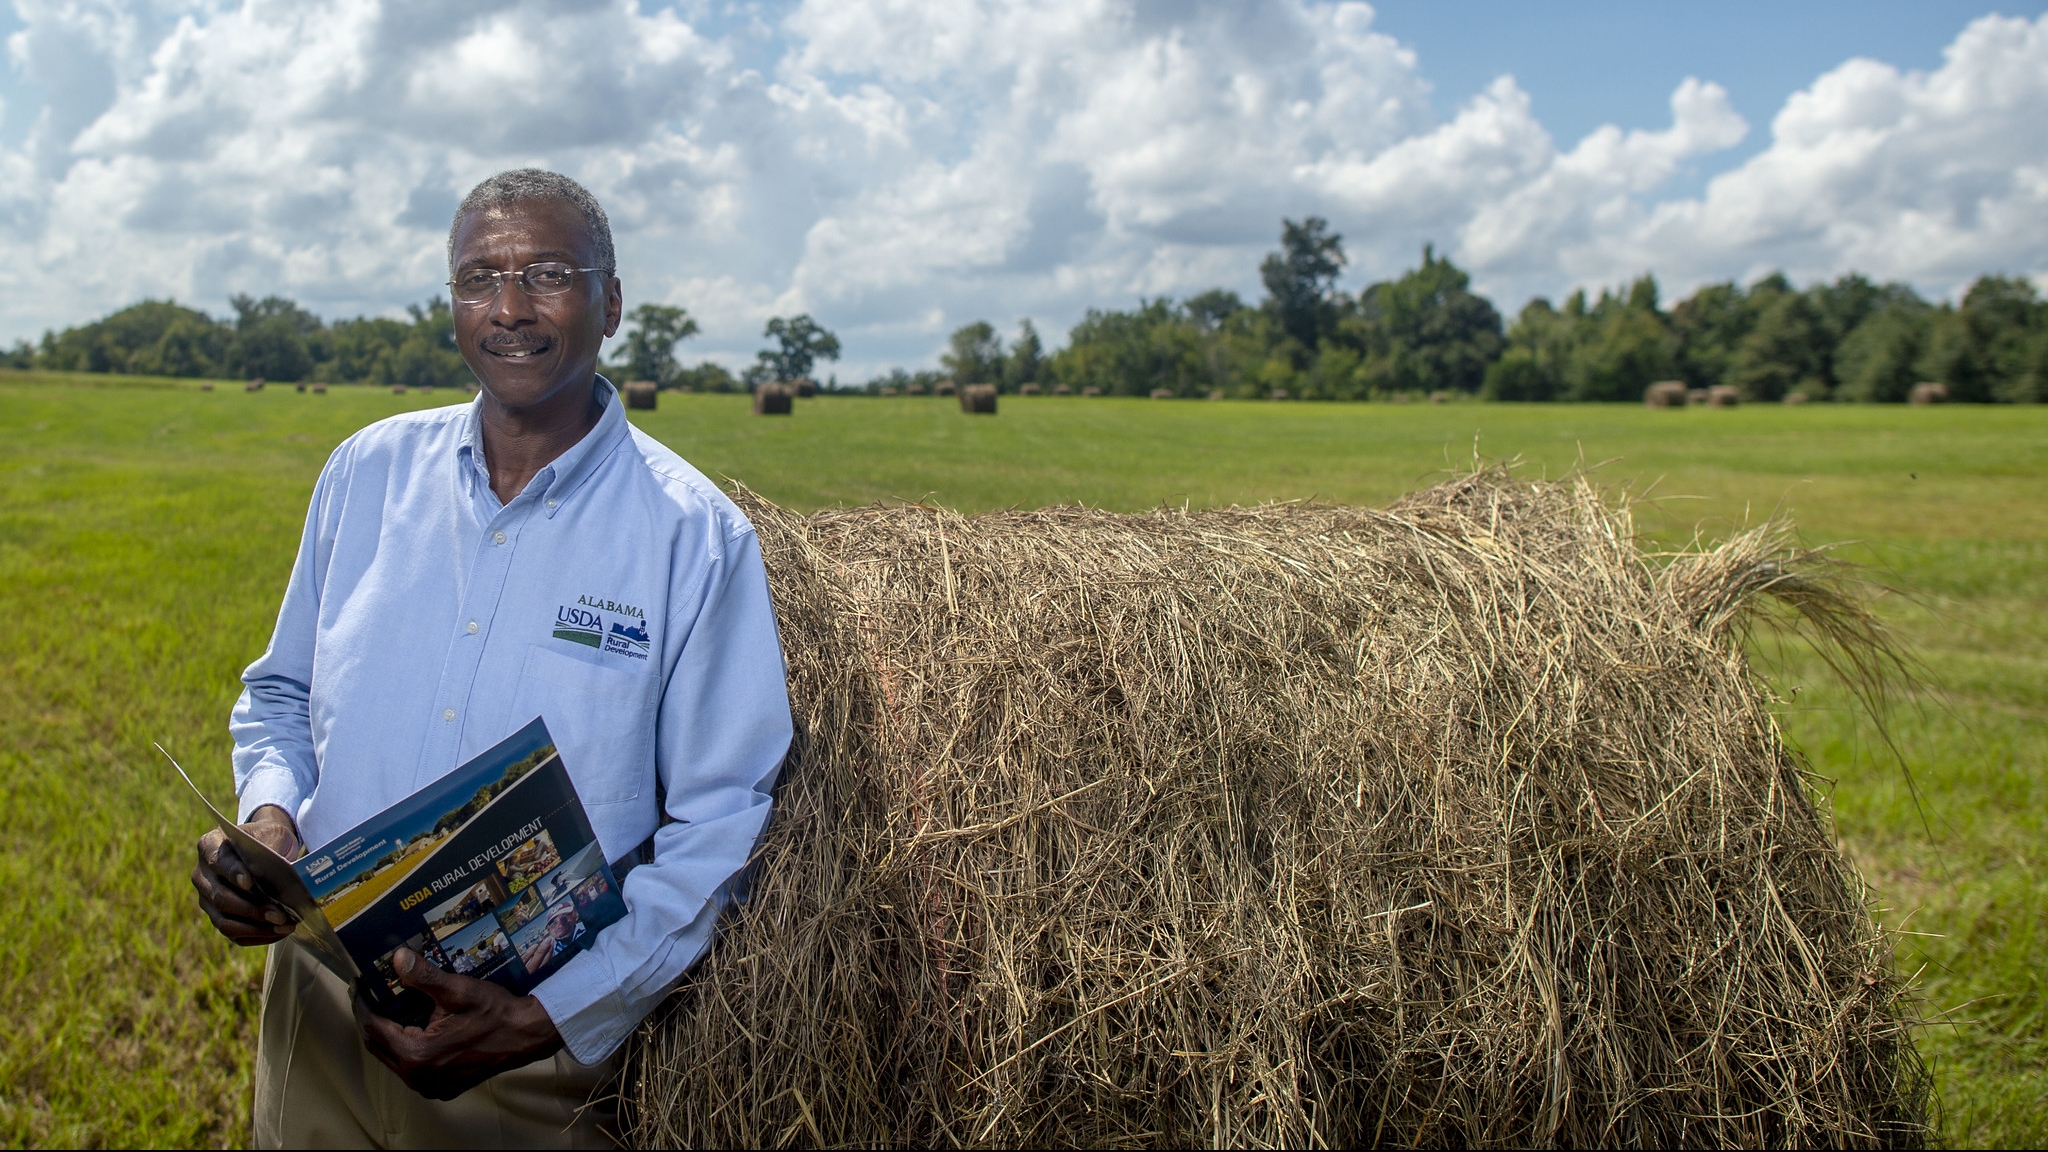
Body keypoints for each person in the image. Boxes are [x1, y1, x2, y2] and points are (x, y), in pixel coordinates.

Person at [189, 169, 792, 1148]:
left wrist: (550, 1018)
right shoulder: (365, 472)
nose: (509, 309)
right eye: (478, 279)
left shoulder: (692, 537)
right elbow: (284, 693)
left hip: (524, 1055)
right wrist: (266, 821)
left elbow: (721, 817)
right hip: (319, 1010)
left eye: (547, 274)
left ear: (612, 303)